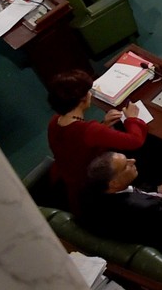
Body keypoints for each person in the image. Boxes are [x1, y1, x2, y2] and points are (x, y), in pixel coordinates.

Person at [44, 69, 145, 204]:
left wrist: (104, 125)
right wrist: (132, 119)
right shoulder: (90, 130)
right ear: (82, 100)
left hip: (68, 184)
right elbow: (135, 141)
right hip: (91, 190)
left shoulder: (54, 121)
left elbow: (79, 143)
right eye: (88, 92)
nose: (90, 94)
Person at [77, 153, 162, 252]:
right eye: (126, 165)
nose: (133, 160)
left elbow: (131, 194)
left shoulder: (88, 193)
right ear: (114, 183)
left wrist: (158, 191)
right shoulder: (146, 208)